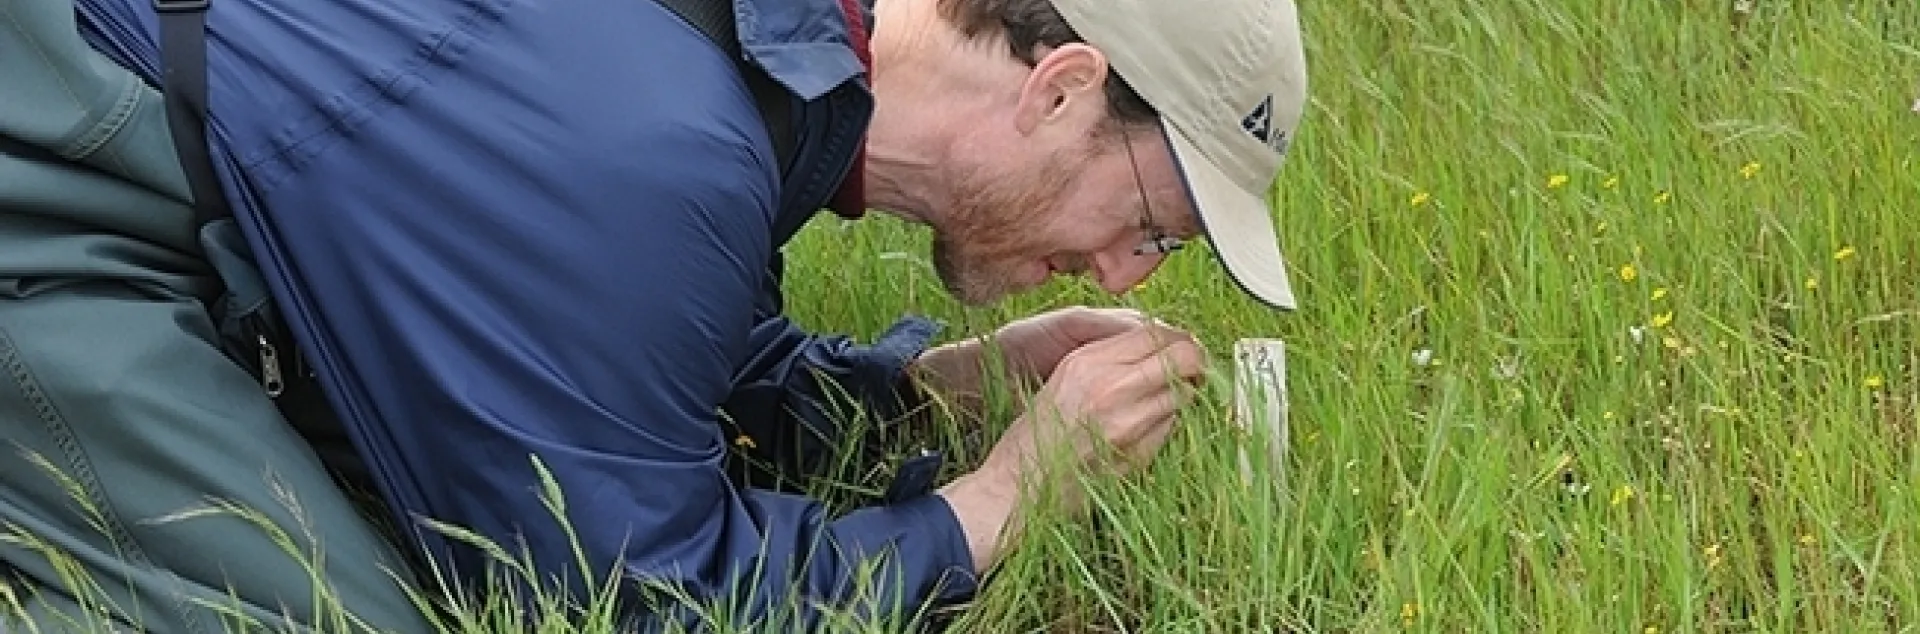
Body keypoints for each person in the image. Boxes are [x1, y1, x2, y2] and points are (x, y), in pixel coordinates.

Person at [0, 0, 1308, 630]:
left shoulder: (780, 58)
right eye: (1149, 224)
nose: (1129, 277)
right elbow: (641, 599)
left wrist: (946, 392)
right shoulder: (664, 144)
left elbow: (653, 368)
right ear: (1066, 90)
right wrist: (1006, 499)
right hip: (59, 181)